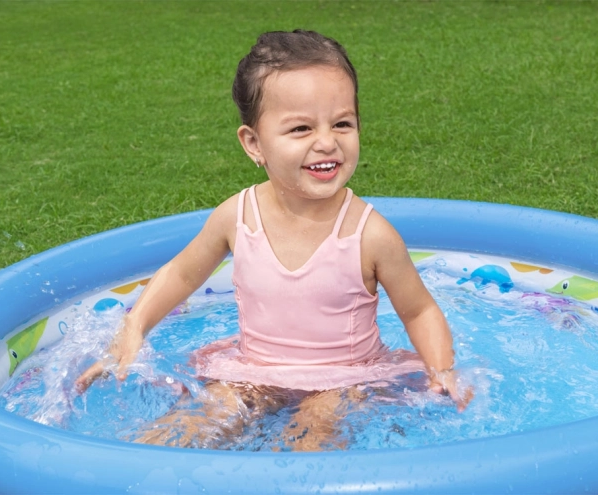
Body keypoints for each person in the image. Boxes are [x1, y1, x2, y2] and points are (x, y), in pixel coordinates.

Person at [76, 29, 473, 451]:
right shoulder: (238, 216)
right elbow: (182, 273)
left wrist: (442, 369)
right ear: (254, 144)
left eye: (342, 123)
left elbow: (419, 309)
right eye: (301, 128)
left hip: (344, 377)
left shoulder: (369, 234)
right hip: (255, 371)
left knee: (313, 433)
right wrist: (135, 326)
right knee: (189, 427)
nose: (326, 142)